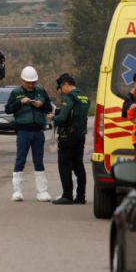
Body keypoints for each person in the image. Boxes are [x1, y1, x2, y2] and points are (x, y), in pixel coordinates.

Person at [5, 66, 54, 202]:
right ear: (22, 80)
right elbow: (8, 109)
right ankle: (17, 191)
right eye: (29, 82)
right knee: (20, 159)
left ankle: (42, 191)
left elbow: (49, 108)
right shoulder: (16, 93)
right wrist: (20, 103)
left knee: (38, 160)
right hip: (23, 132)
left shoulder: (41, 91)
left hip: (38, 131)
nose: (31, 85)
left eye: (34, 82)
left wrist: (41, 106)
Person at [51, 73, 89, 205]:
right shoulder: (84, 96)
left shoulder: (69, 97)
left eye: (61, 87)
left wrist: (52, 117)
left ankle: (67, 195)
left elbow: (62, 118)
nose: (61, 91)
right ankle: (80, 196)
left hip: (68, 136)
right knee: (78, 165)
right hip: (80, 135)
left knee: (64, 165)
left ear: (66, 84)